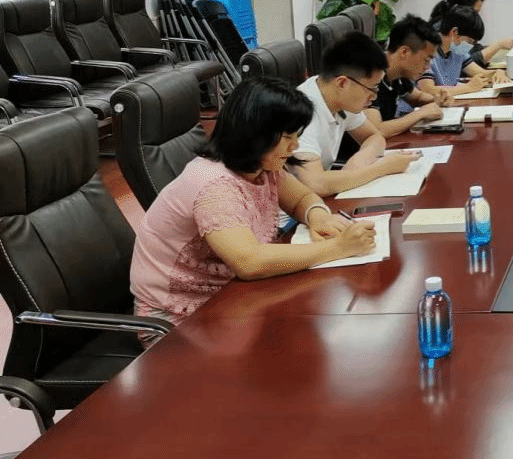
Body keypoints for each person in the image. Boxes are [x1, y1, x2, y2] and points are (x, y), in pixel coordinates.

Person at [130, 77, 377, 328]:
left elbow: (301, 198)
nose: (295, 146)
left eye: (297, 135)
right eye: (288, 136)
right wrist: (339, 247)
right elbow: (250, 262)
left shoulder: (261, 165)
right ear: (256, 134)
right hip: (180, 317)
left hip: (232, 295)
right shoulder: (215, 186)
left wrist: (318, 217)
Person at [289, 31, 420, 196]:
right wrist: (383, 167)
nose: (375, 96)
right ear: (342, 83)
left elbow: (374, 137)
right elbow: (316, 184)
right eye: (372, 88)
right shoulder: (302, 113)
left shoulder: (335, 95)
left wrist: (357, 163)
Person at [369, 14, 446, 137]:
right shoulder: (370, 74)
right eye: (426, 60)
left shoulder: (398, 75)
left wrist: (438, 100)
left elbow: (418, 98)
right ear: (404, 52)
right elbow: (375, 130)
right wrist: (420, 114)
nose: (428, 66)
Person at [429, 0, 513, 76]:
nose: (477, 16)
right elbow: (460, 66)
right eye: (475, 12)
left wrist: (496, 72)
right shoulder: (436, 41)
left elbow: (466, 59)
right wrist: (498, 45)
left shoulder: (457, 40)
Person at [423, 3, 497, 97]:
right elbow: (428, 89)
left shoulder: (457, 51)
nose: (470, 46)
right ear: (455, 32)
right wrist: (468, 87)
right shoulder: (426, 51)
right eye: (469, 41)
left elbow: (481, 73)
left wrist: (497, 73)